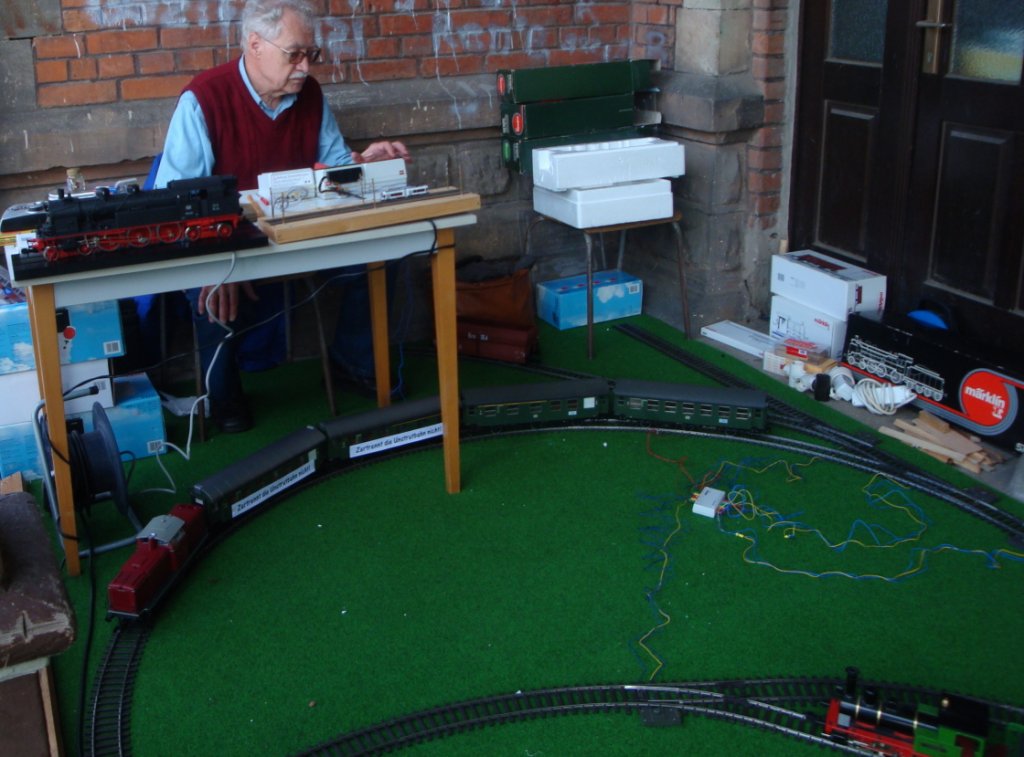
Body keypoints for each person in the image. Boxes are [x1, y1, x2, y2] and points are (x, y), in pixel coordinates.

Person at [154, 0, 410, 433]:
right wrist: (221, 262)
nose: (305, 67)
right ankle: (223, 396)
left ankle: (356, 362)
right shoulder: (203, 99)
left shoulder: (309, 95)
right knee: (207, 288)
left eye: (311, 55)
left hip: (297, 236)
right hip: (228, 241)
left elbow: (332, 173)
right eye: (295, 54)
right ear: (255, 45)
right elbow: (177, 203)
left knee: (391, 250)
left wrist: (364, 163)